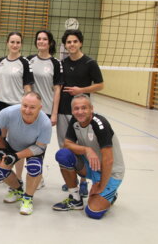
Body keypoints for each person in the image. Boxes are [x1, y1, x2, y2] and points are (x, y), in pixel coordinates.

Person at [52, 94, 124, 219]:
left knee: (93, 212)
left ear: (92, 109)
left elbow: (108, 160)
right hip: (91, 166)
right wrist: (87, 150)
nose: (80, 112)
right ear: (72, 111)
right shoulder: (75, 120)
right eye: (76, 108)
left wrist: (100, 185)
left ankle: (111, 194)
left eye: (84, 108)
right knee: (63, 155)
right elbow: (67, 144)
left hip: (111, 172)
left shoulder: (100, 124)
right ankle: (75, 199)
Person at [57, 29, 104, 197]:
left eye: (74, 41)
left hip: (81, 113)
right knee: (65, 145)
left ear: (80, 43)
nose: (71, 45)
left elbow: (100, 85)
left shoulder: (90, 63)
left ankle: (84, 181)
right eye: (68, 42)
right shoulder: (62, 63)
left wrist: (81, 90)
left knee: (83, 145)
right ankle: (71, 181)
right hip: (64, 110)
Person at [0, 91, 52, 215]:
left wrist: (16, 156)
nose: (27, 110)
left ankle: (28, 198)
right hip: (12, 145)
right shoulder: (9, 112)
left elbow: (40, 148)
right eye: (25, 106)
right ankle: (18, 190)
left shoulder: (45, 123)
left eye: (32, 107)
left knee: (34, 168)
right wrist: (2, 148)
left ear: (40, 108)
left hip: (33, 149)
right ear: (21, 104)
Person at [0, 32, 33, 185]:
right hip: (1, 105)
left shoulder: (24, 62)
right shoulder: (2, 61)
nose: (15, 45)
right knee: (2, 142)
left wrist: (29, 106)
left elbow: (27, 86)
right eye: (12, 42)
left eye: (18, 42)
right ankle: (3, 172)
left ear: (21, 44)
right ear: (7, 43)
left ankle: (18, 176)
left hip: (17, 106)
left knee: (16, 145)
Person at [27, 30, 64, 188]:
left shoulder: (55, 63)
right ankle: (33, 175)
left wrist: (54, 113)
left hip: (46, 110)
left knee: (40, 147)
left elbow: (57, 90)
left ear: (49, 43)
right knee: (28, 144)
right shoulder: (29, 60)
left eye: (44, 39)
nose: (41, 41)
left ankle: (38, 176)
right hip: (30, 110)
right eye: (39, 39)